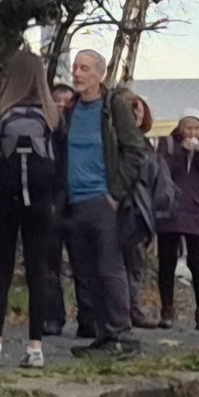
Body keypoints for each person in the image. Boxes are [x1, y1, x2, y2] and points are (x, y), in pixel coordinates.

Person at [0, 51, 66, 368]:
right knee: (37, 273)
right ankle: (35, 348)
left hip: (3, 202)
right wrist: (53, 196)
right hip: (40, 203)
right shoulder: (53, 115)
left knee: (1, 272)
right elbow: (63, 164)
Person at [63, 49, 146, 359]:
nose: (77, 73)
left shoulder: (113, 108)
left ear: (99, 74)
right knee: (86, 272)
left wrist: (115, 193)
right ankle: (102, 334)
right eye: (75, 67)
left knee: (110, 269)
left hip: (103, 200)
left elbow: (135, 150)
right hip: (75, 202)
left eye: (84, 68)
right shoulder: (70, 111)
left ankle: (121, 335)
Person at [156, 108, 199, 330]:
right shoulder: (166, 144)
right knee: (166, 262)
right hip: (170, 209)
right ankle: (167, 310)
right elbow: (160, 172)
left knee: (198, 263)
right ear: (180, 127)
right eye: (188, 128)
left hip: (197, 211)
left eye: (196, 128)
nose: (192, 133)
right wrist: (181, 154)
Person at [117, 88, 158, 330]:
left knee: (135, 264)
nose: (136, 112)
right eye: (131, 107)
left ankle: (131, 307)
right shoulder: (119, 142)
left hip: (143, 210)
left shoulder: (146, 144)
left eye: (139, 107)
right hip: (125, 206)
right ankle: (123, 311)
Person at [44, 82, 76, 336]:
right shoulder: (44, 128)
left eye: (67, 101)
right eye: (58, 100)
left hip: (77, 199)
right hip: (52, 199)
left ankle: (88, 317)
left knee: (82, 263)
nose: (62, 105)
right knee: (49, 264)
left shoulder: (81, 128)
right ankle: (53, 315)